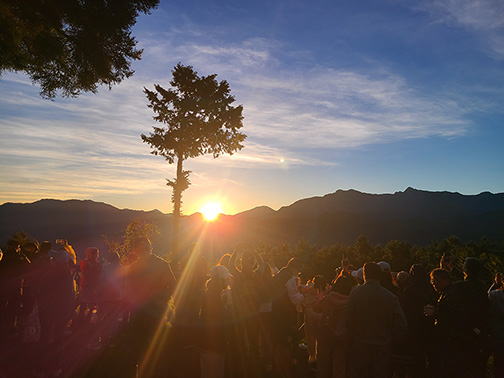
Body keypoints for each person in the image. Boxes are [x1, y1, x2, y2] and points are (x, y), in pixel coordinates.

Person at [122, 236, 176, 378]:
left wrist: (161, 299)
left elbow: (173, 286)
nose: (144, 250)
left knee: (144, 349)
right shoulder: (136, 266)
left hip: (151, 313)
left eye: (145, 247)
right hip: (142, 313)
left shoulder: (160, 264)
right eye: (142, 247)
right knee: (143, 349)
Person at [347, 262, 407, 378]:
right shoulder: (390, 296)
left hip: (359, 346)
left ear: (364, 275)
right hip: (382, 348)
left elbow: (348, 319)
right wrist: (391, 339)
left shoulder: (355, 294)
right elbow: (401, 324)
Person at [271, 257, 304, 378]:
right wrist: (305, 295)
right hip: (285, 314)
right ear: (294, 267)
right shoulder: (290, 278)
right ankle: (286, 371)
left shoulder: (279, 274)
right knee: (285, 344)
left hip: (275, 313)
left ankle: (278, 370)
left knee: (278, 343)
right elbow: (294, 298)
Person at [315, 274, 352, 378]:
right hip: (343, 336)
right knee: (339, 366)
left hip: (327, 335)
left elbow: (318, 309)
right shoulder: (351, 301)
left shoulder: (329, 298)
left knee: (324, 366)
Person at [200, 264, 233, 378]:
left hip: (206, 343)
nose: (227, 281)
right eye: (225, 279)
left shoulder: (208, 292)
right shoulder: (218, 295)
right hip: (216, 343)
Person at [488, 272, 504, 378]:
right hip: (498, 332)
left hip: (498, 332)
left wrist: (495, 284)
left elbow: (487, 296)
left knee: (499, 362)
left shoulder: (495, 294)